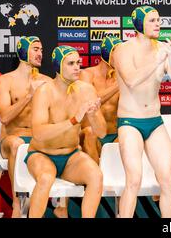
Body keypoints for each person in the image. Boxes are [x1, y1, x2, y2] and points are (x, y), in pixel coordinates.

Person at [112, 6, 171, 218]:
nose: (158, 24)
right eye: (152, 20)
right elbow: (132, 80)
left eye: (159, 20)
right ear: (139, 24)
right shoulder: (124, 49)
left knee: (169, 181)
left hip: (154, 121)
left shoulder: (161, 48)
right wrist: (157, 60)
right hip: (130, 122)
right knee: (134, 180)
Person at [26, 45, 106, 218]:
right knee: (46, 178)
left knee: (96, 176)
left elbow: (101, 133)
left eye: (78, 62)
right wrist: (73, 120)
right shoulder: (44, 91)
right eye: (71, 63)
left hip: (71, 155)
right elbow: (38, 133)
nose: (77, 67)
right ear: (58, 66)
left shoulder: (86, 90)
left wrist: (92, 116)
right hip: (41, 154)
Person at [0, 36, 51, 218]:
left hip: (37, 138)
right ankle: (17, 203)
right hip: (11, 138)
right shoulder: (5, 81)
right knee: (17, 144)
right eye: (35, 49)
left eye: (41, 50)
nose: (40, 53)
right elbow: (4, 117)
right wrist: (29, 95)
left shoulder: (47, 81)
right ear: (23, 51)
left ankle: (59, 205)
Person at [79, 36, 122, 163]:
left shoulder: (120, 77)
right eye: (118, 53)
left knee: (129, 134)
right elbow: (91, 102)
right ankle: (95, 178)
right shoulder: (86, 74)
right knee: (89, 132)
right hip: (93, 136)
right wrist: (118, 84)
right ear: (107, 52)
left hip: (115, 136)